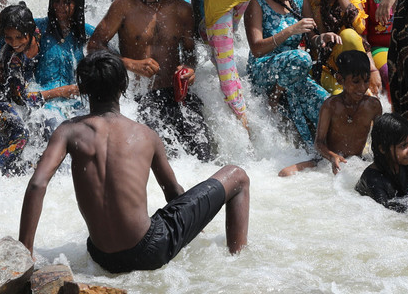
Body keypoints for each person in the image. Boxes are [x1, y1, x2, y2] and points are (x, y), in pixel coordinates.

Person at [18, 51, 250, 272]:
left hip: (101, 256)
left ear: (84, 89)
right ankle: (237, 264)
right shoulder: (145, 134)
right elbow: (173, 194)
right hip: (149, 251)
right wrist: (195, 222)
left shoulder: (68, 131)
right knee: (237, 175)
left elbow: (37, 184)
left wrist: (25, 252)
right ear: (123, 86)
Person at [88, 0, 213, 160]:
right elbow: (94, 46)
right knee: (161, 156)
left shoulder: (183, 11)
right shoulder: (124, 4)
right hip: (137, 98)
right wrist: (129, 63)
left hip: (174, 95)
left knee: (202, 153)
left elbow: (190, 53)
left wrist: (189, 68)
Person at [244, 0, 333, 146]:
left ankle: (321, 150)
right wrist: (290, 31)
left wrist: (322, 39)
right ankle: (274, 98)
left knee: (328, 105)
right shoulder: (256, 4)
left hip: (294, 70)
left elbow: (312, 37)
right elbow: (256, 49)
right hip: (264, 68)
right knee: (301, 58)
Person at [279, 50, 382, 176]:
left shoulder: (373, 106)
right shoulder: (330, 105)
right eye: (356, 82)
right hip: (327, 162)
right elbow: (319, 143)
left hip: (357, 161)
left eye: (366, 81)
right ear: (340, 79)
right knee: (284, 173)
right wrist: (332, 156)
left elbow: (379, 142)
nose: (362, 87)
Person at [303, 0, 379, 94]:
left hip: (349, 64)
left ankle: (360, 82)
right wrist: (320, 38)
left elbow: (360, 29)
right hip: (322, 64)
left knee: (349, 34)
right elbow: (310, 36)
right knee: (341, 96)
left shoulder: (352, 0)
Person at [0, 2, 41, 174]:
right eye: (9, 38)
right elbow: (23, 98)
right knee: (21, 133)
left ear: (30, 30)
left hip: (4, 95)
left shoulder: (38, 32)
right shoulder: (14, 60)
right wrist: (61, 92)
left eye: (19, 37)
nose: (14, 43)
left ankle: (13, 169)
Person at [33, 0, 96, 127]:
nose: (60, 6)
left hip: (76, 103)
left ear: (78, 4)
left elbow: (108, 54)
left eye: (67, 2)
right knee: (55, 129)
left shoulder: (85, 32)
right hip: (45, 104)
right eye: (56, 1)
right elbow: (2, 41)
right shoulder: (38, 27)